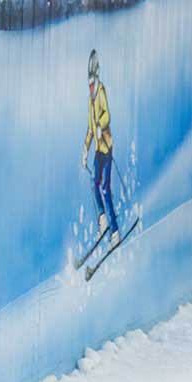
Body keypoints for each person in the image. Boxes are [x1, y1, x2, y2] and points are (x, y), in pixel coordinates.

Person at [82, 49, 121, 249]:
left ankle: (115, 232)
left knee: (105, 188)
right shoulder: (90, 102)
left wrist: (101, 125)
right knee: (93, 183)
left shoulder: (101, 92)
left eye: (92, 84)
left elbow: (107, 115)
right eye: (88, 84)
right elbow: (90, 128)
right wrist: (85, 150)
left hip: (106, 148)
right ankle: (102, 219)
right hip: (98, 151)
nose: (90, 87)